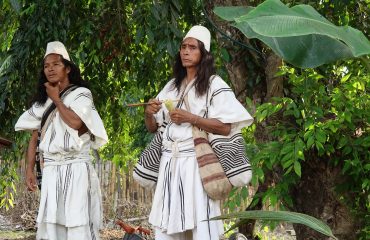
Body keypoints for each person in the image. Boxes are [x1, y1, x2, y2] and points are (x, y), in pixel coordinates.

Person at [145, 26, 253, 240]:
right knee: (167, 226)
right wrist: (149, 113)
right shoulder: (171, 87)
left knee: (201, 225)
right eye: (183, 47)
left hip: (197, 165)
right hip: (170, 164)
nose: (185, 51)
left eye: (192, 47)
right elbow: (152, 128)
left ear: (204, 54)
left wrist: (190, 118)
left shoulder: (214, 85)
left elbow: (226, 127)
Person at [15, 41, 108, 240]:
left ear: (67, 68)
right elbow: (34, 137)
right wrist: (30, 169)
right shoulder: (42, 102)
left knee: (78, 224)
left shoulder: (81, 94)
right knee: (51, 227)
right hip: (50, 171)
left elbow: (75, 123)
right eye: (46, 66)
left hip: (76, 168)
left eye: (55, 64)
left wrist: (57, 99)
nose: (50, 69)